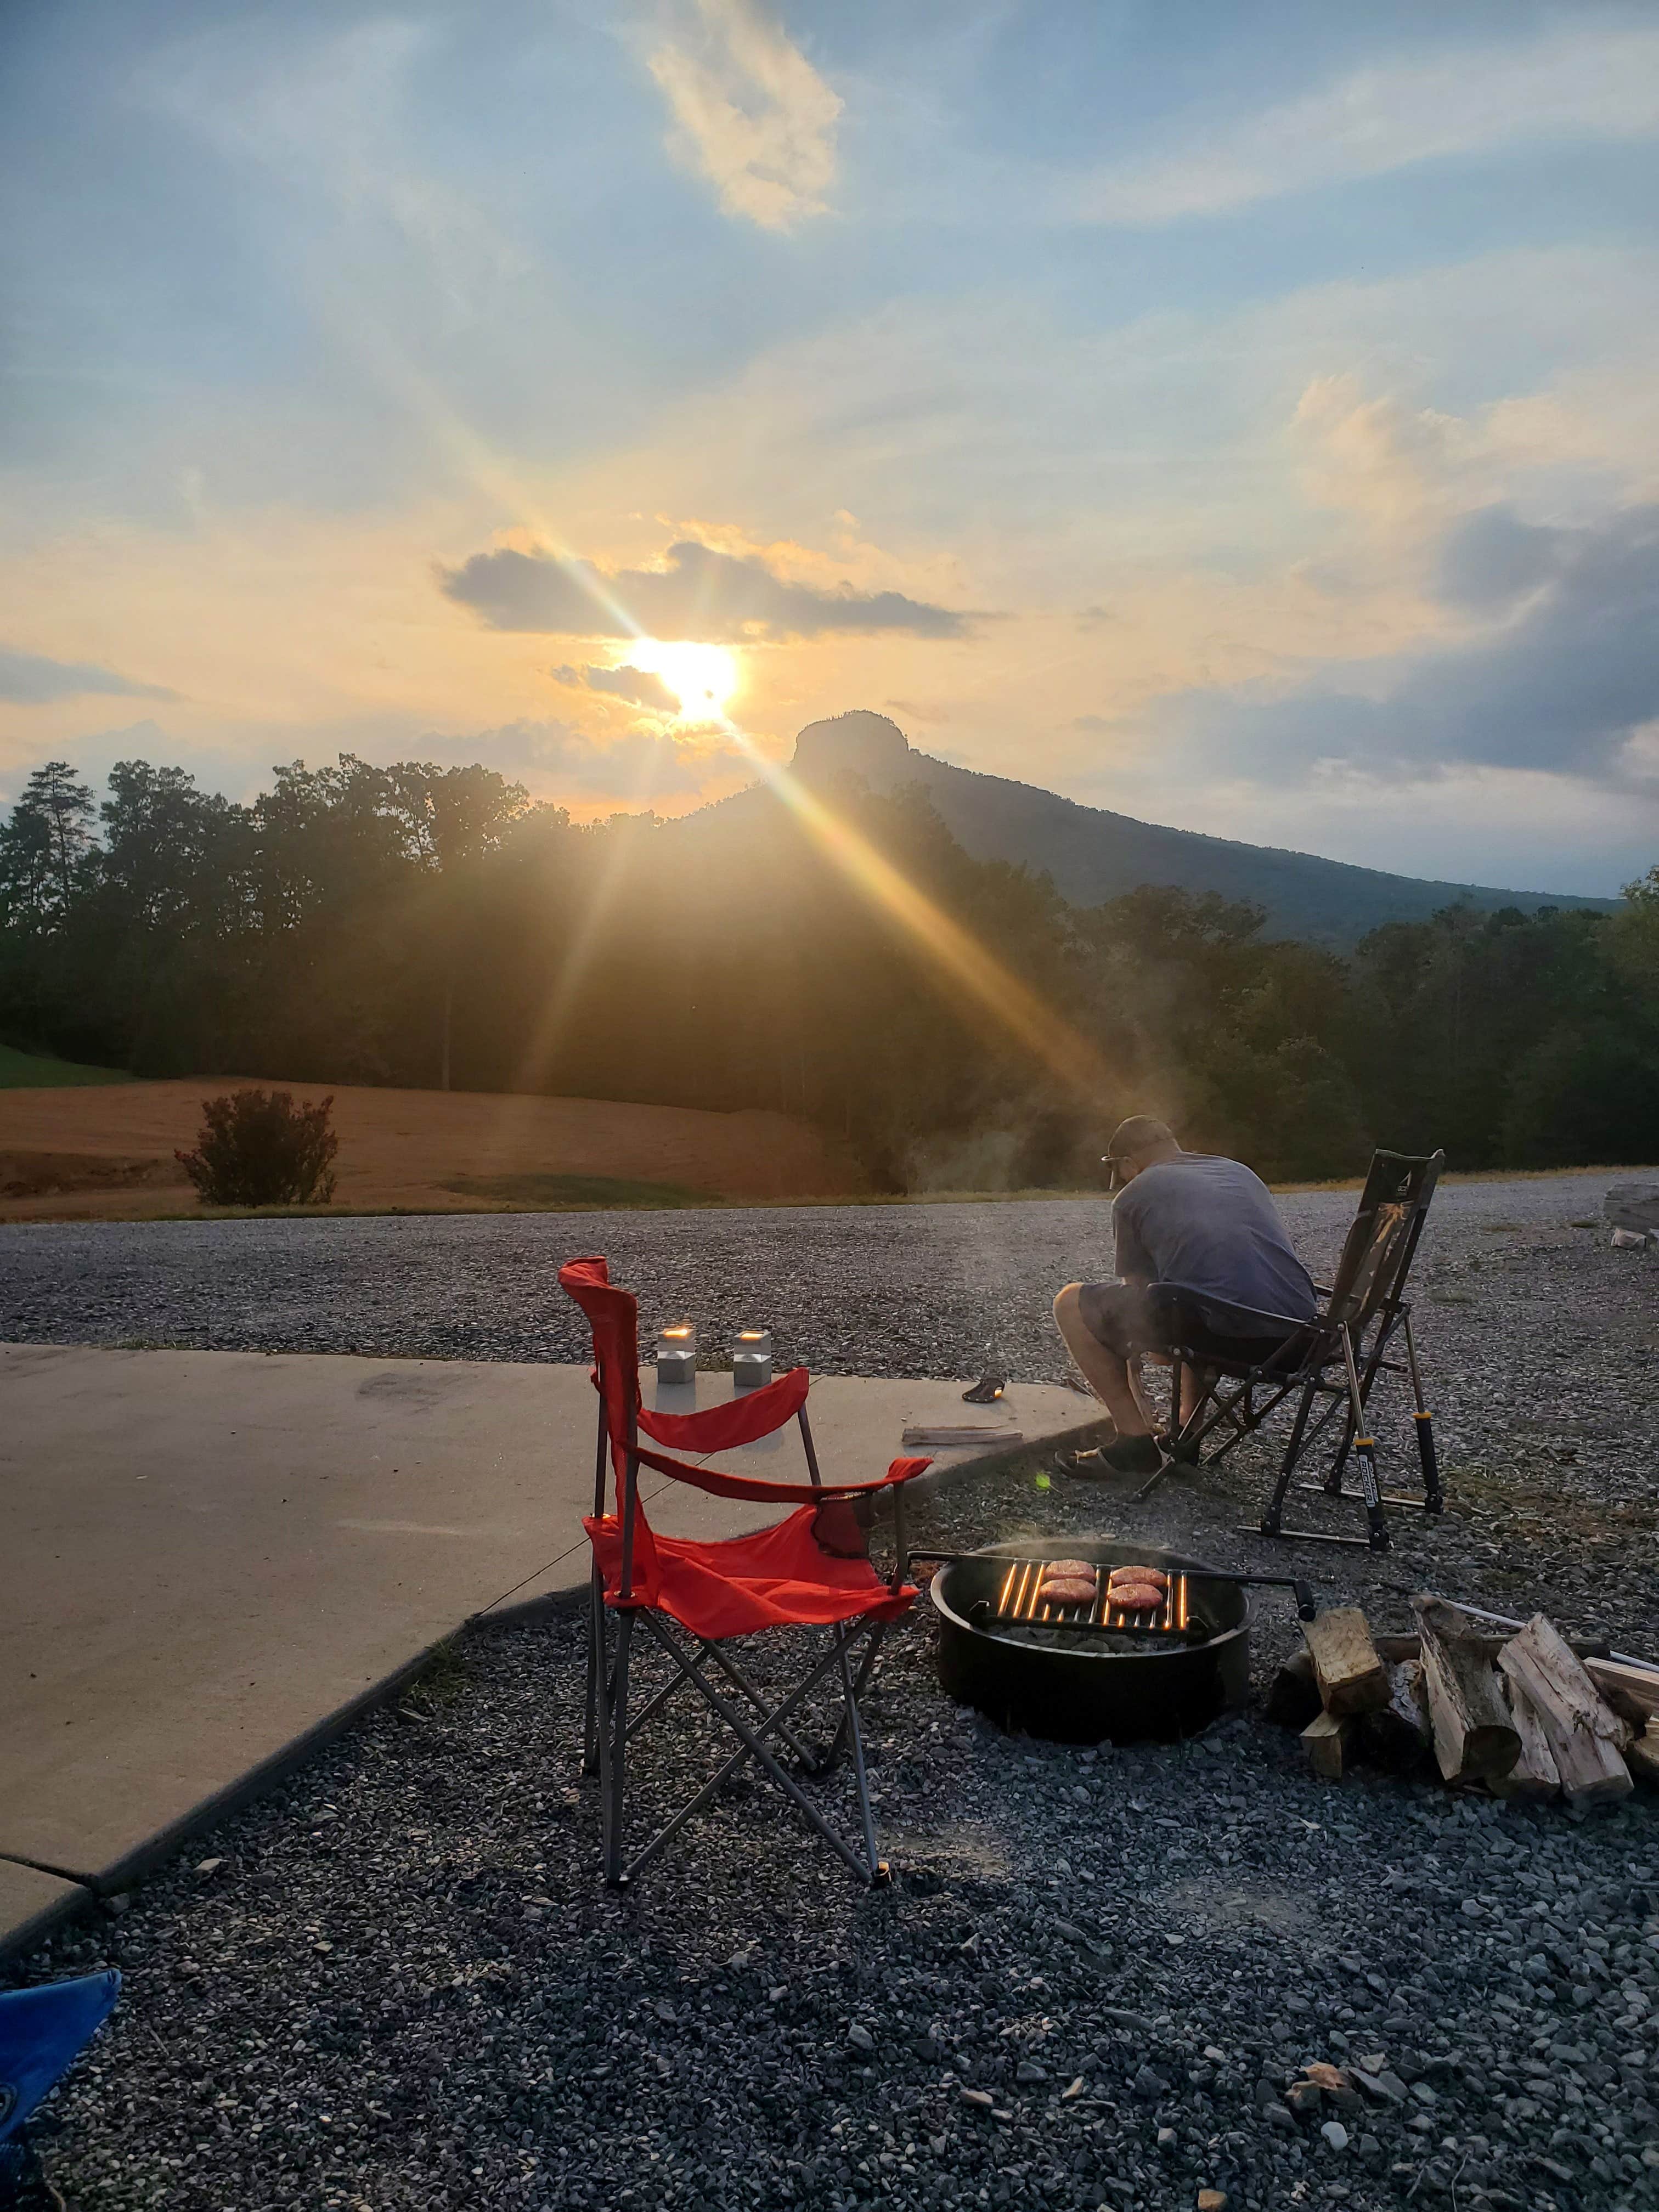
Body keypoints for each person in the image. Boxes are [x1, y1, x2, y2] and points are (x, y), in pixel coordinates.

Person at [1052, 1115, 1318, 1477]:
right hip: (1301, 1339)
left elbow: (1140, 1300)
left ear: (1129, 1164)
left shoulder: (1133, 1194)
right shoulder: (1239, 1173)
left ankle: (1134, 1444)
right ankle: (1186, 1435)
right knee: (1196, 1296)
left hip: (1234, 1336)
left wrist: (1131, 1354)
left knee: (1070, 1302)